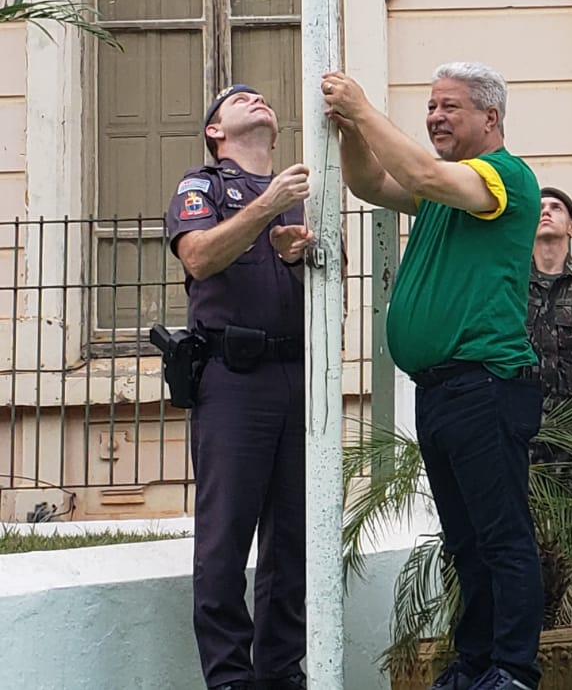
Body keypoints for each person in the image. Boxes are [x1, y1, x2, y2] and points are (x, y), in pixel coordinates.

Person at [322, 63, 544, 690]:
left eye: (449, 107)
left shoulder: (504, 177)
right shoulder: (445, 192)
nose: (435, 117)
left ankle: (512, 670)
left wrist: (363, 109)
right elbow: (370, 182)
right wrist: (349, 131)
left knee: (501, 538)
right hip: (443, 390)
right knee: (465, 542)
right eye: (430, 107)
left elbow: (420, 173)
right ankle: (475, 664)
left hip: (485, 383)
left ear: (490, 118)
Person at [165, 83, 312, 690]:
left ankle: (282, 671)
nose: (258, 100)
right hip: (233, 377)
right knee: (225, 535)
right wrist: (264, 208)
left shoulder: (301, 196)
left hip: (295, 374)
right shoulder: (201, 187)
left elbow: (331, 288)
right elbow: (199, 257)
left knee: (293, 537)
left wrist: (297, 258)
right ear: (215, 131)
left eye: (263, 98)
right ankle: (229, 676)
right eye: (239, 98)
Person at [525, 185, 572, 487]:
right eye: (539, 208)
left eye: (556, 208)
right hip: (521, 418)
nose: (545, 212)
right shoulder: (511, 284)